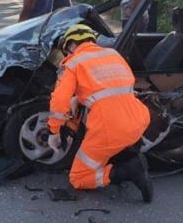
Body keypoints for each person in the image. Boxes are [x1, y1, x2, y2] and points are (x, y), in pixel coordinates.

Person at [47, 24, 153, 202]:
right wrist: (78, 99)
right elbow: (107, 89)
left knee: (79, 178)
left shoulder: (73, 63)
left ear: (71, 45)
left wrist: (54, 131)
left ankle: (127, 172)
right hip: (138, 119)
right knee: (112, 142)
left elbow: (59, 101)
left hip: (109, 127)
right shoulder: (113, 54)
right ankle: (129, 157)